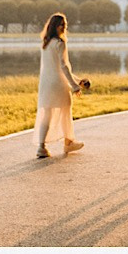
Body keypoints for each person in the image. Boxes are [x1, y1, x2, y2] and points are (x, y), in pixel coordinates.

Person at [34, 12, 87, 159]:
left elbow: (59, 67)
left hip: (46, 83)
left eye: (64, 25)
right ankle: (68, 143)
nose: (63, 27)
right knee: (66, 110)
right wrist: (75, 86)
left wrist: (77, 81)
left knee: (47, 114)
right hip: (58, 84)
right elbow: (64, 67)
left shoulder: (46, 43)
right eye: (60, 25)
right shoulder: (60, 43)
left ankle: (41, 147)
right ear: (54, 27)